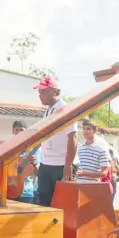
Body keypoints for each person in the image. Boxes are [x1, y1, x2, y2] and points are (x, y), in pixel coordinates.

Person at [34, 76, 78, 206]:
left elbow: (73, 136)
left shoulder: (65, 109)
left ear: (53, 91)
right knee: (44, 203)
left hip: (61, 165)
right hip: (46, 163)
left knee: (64, 205)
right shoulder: (47, 111)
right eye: (39, 92)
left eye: (42, 92)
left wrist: (68, 165)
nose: (39, 95)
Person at [11, 120, 40, 203]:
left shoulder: (33, 149)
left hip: (26, 193)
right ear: (13, 131)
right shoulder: (9, 149)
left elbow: (37, 174)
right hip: (10, 189)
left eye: (21, 130)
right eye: (16, 130)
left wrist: (33, 164)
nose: (19, 132)